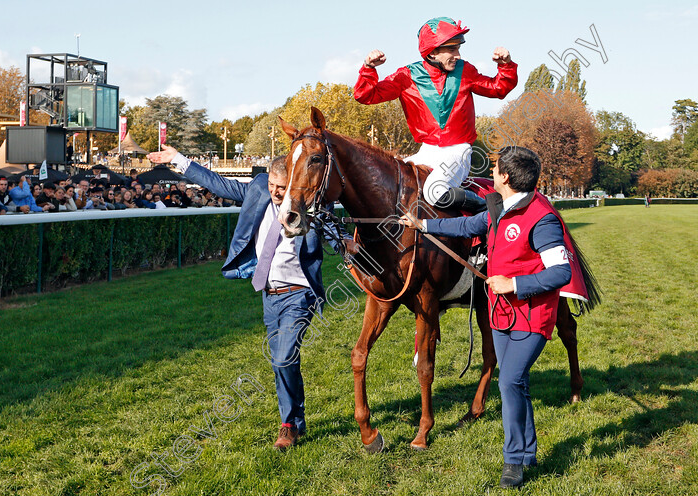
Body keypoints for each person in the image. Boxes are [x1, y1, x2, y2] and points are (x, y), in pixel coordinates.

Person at [400, 147, 589, 488]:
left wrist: (514, 283)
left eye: (496, 167)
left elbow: (561, 272)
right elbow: (467, 224)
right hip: (500, 314)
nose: (492, 171)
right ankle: (528, 451)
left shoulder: (542, 218)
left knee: (508, 381)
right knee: (517, 384)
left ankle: (514, 460)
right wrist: (422, 224)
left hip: (533, 316)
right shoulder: (498, 208)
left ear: (504, 177)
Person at [148, 144, 356, 451]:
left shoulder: (309, 204)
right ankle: (296, 422)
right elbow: (218, 183)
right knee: (284, 362)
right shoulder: (259, 188)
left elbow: (333, 234)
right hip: (268, 294)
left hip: (299, 293)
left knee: (283, 357)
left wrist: (350, 248)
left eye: (281, 188)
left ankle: (287, 426)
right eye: (272, 185)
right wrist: (177, 160)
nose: (274, 192)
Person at [355, 16, 518, 212]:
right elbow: (366, 95)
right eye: (452, 49)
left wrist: (505, 65)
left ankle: (490, 213)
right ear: (432, 52)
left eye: (458, 48)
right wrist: (368, 68)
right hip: (427, 150)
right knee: (386, 182)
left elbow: (497, 88)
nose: (458, 55)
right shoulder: (406, 75)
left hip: (459, 151)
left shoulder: (465, 70)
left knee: (434, 190)